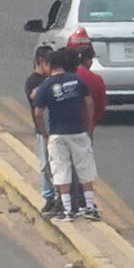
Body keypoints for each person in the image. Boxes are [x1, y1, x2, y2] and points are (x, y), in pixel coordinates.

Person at [31, 47, 100, 222]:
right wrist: (89, 124)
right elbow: (89, 102)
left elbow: (38, 112)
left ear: (48, 65)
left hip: (57, 133)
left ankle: (68, 210)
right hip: (78, 130)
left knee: (61, 169)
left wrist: (43, 132)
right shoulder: (77, 80)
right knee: (84, 166)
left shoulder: (46, 85)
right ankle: (89, 207)